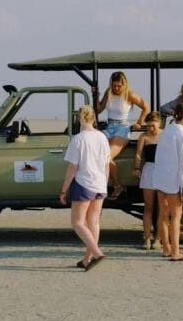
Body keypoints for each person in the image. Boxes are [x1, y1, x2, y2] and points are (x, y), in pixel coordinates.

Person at [59, 105, 111, 271]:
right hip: (100, 183)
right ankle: (87, 259)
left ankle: (97, 253)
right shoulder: (102, 137)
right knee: (93, 222)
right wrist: (105, 182)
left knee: (78, 222)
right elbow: (106, 164)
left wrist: (63, 190)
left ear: (80, 119)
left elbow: (73, 167)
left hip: (84, 183)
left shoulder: (79, 139)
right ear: (93, 118)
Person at [93, 71, 149, 200]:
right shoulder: (109, 91)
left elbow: (146, 107)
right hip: (109, 127)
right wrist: (95, 95)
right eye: (114, 85)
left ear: (124, 84)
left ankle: (118, 186)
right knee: (96, 154)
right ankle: (98, 185)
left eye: (119, 85)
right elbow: (99, 109)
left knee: (106, 157)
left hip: (122, 128)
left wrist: (139, 122)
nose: (116, 88)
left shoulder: (129, 94)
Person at [153, 102, 183, 261]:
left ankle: (166, 248)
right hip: (173, 179)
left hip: (160, 177)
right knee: (176, 215)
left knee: (163, 214)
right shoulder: (182, 135)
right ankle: (175, 251)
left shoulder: (166, 131)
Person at [133, 111, 162, 251]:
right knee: (148, 207)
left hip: (163, 171)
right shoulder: (144, 137)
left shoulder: (164, 135)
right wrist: (136, 167)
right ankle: (146, 237)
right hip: (149, 169)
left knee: (162, 208)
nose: (151, 129)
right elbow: (138, 154)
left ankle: (158, 239)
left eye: (153, 126)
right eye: (148, 126)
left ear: (159, 124)